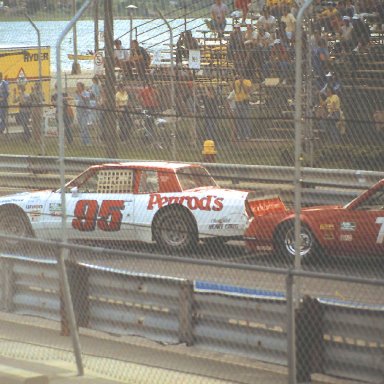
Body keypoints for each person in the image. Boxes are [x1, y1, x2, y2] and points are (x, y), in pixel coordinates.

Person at [233, 74, 252, 140]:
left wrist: (242, 83)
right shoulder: (236, 82)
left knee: (245, 118)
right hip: (238, 101)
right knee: (239, 119)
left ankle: (247, 135)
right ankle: (239, 135)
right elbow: (235, 90)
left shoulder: (248, 82)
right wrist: (234, 80)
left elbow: (247, 91)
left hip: (245, 101)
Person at [75, 81, 91, 146]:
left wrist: (80, 95)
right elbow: (76, 101)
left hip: (85, 112)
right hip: (79, 112)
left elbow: (86, 99)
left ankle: (87, 142)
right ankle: (83, 141)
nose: (77, 88)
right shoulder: (77, 94)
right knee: (81, 127)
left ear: (82, 87)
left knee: (84, 126)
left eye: (79, 86)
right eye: (77, 86)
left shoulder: (86, 93)